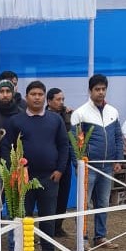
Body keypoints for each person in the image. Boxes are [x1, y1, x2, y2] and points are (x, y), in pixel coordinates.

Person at [1, 80, 69, 251]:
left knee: (48, 216)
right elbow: (6, 147)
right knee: (23, 216)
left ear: (44, 97)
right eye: (33, 94)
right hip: (23, 178)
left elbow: (64, 145)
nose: (37, 98)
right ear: (26, 97)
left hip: (49, 177)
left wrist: (60, 170)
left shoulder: (55, 120)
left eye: (40, 94)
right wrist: (14, 171)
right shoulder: (15, 120)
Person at [71, 73, 123, 249]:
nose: (100, 92)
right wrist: (78, 165)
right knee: (84, 204)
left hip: (107, 167)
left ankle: (100, 237)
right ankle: (82, 238)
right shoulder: (80, 113)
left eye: (103, 89)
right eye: (97, 89)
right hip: (89, 167)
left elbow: (118, 137)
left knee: (103, 203)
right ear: (90, 91)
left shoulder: (113, 111)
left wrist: (118, 160)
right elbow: (74, 143)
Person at [0, 78, 24, 251]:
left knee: (13, 208)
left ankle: (13, 246)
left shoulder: (20, 115)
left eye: (8, 91)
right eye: (1, 92)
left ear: (13, 92)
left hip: (15, 167)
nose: (5, 95)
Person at [46, 87, 74, 237]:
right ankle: (48, 228)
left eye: (62, 99)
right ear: (49, 101)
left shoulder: (67, 115)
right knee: (49, 197)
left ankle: (58, 227)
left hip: (65, 161)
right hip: (50, 162)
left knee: (63, 195)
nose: (61, 102)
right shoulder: (43, 116)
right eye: (58, 99)